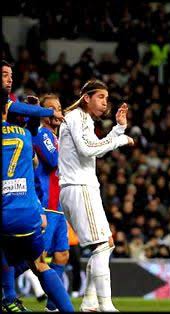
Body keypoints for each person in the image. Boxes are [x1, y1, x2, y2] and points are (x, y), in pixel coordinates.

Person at [58, 80, 134, 311]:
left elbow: (93, 145)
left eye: (106, 98)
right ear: (86, 97)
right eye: (100, 96)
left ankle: (90, 303)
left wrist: (118, 129)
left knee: (106, 244)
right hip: (80, 186)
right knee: (101, 246)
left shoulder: (83, 120)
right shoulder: (77, 117)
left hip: (80, 186)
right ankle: (105, 305)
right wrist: (119, 139)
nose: (105, 102)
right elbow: (89, 149)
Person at [1, 87, 74, 312]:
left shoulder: (41, 134)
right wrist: (38, 111)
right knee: (39, 262)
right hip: (36, 209)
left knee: (60, 255)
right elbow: (46, 161)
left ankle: (15, 299)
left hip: (19, 209)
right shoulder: (30, 134)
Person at [32, 94, 70, 311]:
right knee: (33, 259)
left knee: (62, 255)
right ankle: (7, 289)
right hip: (45, 205)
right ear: (44, 113)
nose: (57, 112)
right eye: (52, 109)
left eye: (59, 108)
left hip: (59, 207)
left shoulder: (56, 137)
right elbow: (54, 161)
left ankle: (51, 308)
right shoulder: (42, 134)